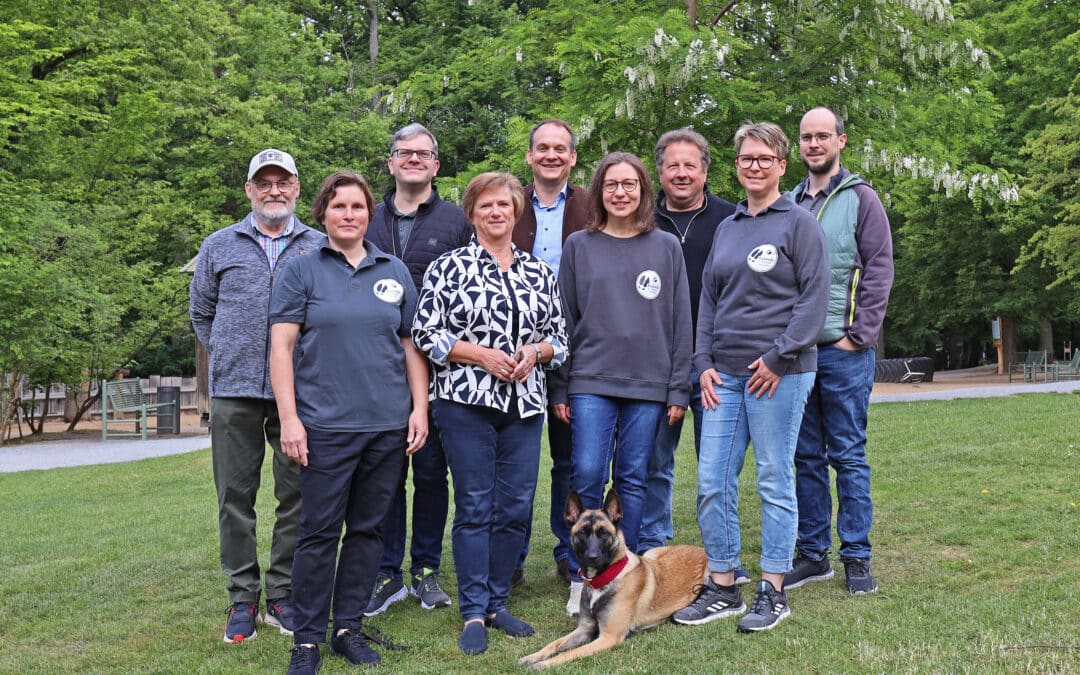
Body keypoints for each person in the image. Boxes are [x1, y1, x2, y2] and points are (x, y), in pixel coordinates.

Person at [269, 170, 429, 674]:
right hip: (324, 428)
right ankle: (308, 640)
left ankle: (348, 628)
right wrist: (290, 419)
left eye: (358, 207)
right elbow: (282, 346)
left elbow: (409, 346)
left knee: (366, 531)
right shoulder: (302, 270)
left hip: (385, 425)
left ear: (369, 215)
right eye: (339, 207)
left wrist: (419, 408)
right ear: (323, 213)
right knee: (318, 532)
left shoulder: (395, 271)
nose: (349, 215)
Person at [673, 123, 828, 633]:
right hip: (725, 376)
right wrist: (703, 363)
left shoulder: (800, 223)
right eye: (746, 159)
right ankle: (722, 586)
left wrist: (779, 357)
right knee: (712, 481)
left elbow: (814, 300)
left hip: (779, 375)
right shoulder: (729, 226)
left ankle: (773, 590)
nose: (755, 166)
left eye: (765, 158)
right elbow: (709, 301)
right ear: (735, 166)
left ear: (783, 165)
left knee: (773, 478)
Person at [412, 172, 567, 656]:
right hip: (465, 403)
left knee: (516, 506)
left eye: (504, 204)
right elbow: (425, 332)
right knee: (476, 505)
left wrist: (536, 352)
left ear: (516, 211)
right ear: (472, 213)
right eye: (486, 206)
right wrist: (479, 355)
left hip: (525, 405)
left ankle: (499, 602)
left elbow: (561, 338)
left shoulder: (538, 272)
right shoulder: (448, 268)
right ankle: (474, 610)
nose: (496, 212)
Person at [190, 148, 326, 643]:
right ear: (249, 190)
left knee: (298, 494)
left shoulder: (320, 245)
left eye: (283, 182)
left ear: (296, 188)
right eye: (263, 182)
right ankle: (242, 598)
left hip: (301, 394)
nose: (274, 190)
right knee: (235, 498)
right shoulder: (219, 246)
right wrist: (230, 354)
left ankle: (282, 593)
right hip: (235, 393)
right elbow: (202, 314)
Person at [551, 152, 692, 618]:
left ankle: (621, 577)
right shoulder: (578, 245)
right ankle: (581, 577)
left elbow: (681, 322)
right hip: (590, 377)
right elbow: (563, 321)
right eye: (611, 185)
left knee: (634, 477)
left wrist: (677, 389)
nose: (620, 192)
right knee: (588, 470)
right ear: (598, 192)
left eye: (630, 184)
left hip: (650, 384)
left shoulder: (666, 246)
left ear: (643, 190)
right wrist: (560, 388)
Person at [364, 123, 472, 617]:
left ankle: (425, 569)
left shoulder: (456, 221)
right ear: (390, 163)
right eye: (403, 153)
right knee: (384, 473)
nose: (412, 160)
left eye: (422, 153)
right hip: (373, 369)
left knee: (430, 473)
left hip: (437, 369)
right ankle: (385, 572)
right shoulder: (366, 217)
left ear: (435, 165)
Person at [785, 107, 894, 595]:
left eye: (822, 136)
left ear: (841, 141)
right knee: (804, 456)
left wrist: (859, 335)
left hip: (844, 351)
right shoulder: (788, 203)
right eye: (806, 137)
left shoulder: (861, 199)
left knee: (847, 453)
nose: (814, 144)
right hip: (797, 354)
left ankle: (857, 555)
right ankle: (813, 554)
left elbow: (879, 269)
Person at [639, 128, 741, 567]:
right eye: (672, 165)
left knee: (715, 470)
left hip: (715, 366)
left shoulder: (732, 219)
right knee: (654, 465)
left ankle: (718, 555)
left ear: (705, 170)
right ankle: (655, 548)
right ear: (659, 171)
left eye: (690, 165)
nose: (681, 173)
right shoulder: (640, 221)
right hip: (656, 366)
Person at [510, 119, 591, 587]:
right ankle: (513, 553)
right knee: (517, 464)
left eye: (560, 148)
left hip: (574, 348)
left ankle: (569, 549)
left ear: (572, 157)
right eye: (542, 148)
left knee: (569, 461)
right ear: (530, 155)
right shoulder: (510, 201)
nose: (551, 155)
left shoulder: (590, 204)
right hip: (515, 350)